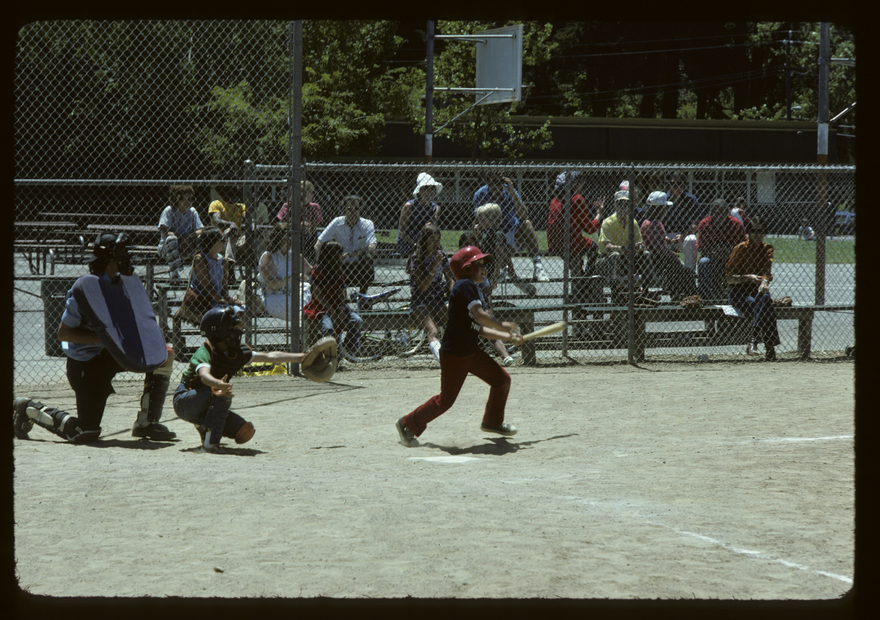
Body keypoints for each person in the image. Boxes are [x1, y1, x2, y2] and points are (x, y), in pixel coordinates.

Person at [14, 233, 177, 443]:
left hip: (111, 354)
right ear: (108, 259)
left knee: (164, 356)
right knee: (85, 432)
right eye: (121, 253)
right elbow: (64, 334)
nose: (126, 257)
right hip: (86, 364)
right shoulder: (85, 291)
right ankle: (28, 408)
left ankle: (147, 423)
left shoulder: (123, 284)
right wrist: (104, 339)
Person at [394, 246, 524, 448]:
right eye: (478, 264)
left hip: (470, 351)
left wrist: (508, 337)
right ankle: (407, 423)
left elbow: (478, 328)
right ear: (467, 268)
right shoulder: (465, 285)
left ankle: (492, 422)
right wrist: (503, 325)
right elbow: (481, 316)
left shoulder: (468, 288)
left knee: (502, 380)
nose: (484, 268)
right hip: (455, 355)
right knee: (445, 401)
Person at [172, 306, 311, 453]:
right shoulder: (206, 351)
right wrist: (217, 383)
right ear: (217, 332)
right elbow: (204, 375)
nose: (237, 330)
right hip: (185, 401)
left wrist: (303, 357)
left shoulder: (237, 351)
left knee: (244, 431)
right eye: (231, 327)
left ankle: (203, 425)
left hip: (206, 400)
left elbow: (271, 356)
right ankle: (209, 445)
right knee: (221, 392)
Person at [473, 171, 549, 283]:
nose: (497, 185)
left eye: (500, 181)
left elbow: (524, 215)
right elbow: (478, 220)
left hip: (512, 230)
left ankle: (538, 267)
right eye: (493, 181)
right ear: (487, 181)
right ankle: (513, 277)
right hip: (493, 234)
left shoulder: (509, 191)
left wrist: (512, 193)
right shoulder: (480, 194)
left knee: (527, 224)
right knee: (499, 249)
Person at [724, 217, 780, 361]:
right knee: (765, 305)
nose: (757, 234)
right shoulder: (740, 248)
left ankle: (754, 339)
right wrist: (748, 277)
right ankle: (769, 348)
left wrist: (764, 282)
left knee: (764, 299)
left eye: (761, 231)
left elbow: (767, 272)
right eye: (754, 231)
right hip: (738, 291)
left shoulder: (767, 249)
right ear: (749, 232)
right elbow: (729, 278)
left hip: (757, 291)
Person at [458, 232, 516, 366]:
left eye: (472, 244)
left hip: (479, 304)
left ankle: (506, 356)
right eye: (466, 244)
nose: (469, 247)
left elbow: (486, 290)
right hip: (464, 305)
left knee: (489, 325)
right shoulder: (456, 264)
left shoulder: (478, 265)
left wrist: (488, 307)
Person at [302, 240, 363, 357]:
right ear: (332, 256)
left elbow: (341, 292)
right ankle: (329, 355)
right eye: (339, 254)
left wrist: (341, 307)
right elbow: (317, 294)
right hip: (321, 306)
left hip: (336, 303)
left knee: (357, 321)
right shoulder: (318, 269)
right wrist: (331, 310)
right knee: (328, 328)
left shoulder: (338, 269)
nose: (342, 256)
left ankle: (347, 349)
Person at [407, 223, 454, 364]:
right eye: (432, 240)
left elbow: (450, 278)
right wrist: (434, 266)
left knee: (457, 325)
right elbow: (423, 287)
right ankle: (444, 362)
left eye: (437, 239)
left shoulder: (441, 256)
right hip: (420, 301)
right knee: (433, 332)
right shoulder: (416, 258)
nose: (436, 243)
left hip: (438, 300)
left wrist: (454, 293)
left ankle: (462, 357)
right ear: (424, 241)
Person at [175, 228, 241, 327]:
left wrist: (229, 299)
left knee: (241, 311)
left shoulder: (224, 261)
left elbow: (224, 288)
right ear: (212, 242)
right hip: (203, 301)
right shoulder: (200, 260)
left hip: (218, 300)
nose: (225, 241)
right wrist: (223, 301)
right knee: (227, 316)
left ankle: (230, 336)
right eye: (222, 238)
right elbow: (206, 288)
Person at [314, 195, 376, 297]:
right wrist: (318, 263)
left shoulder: (367, 224)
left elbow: (372, 246)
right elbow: (319, 243)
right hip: (340, 264)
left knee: (367, 260)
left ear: (360, 210)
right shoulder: (337, 222)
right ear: (344, 211)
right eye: (349, 209)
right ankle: (341, 298)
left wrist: (360, 252)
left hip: (359, 264)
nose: (353, 212)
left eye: (356, 209)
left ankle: (362, 297)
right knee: (330, 262)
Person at [640, 192, 697, 301]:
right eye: (664, 208)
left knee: (681, 269)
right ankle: (684, 295)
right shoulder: (651, 224)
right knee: (682, 269)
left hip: (660, 258)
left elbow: (659, 239)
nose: (666, 210)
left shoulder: (656, 222)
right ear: (659, 209)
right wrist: (673, 255)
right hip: (654, 260)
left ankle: (682, 294)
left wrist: (666, 239)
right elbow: (659, 249)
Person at [546, 171, 603, 278]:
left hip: (554, 243)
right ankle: (587, 278)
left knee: (577, 266)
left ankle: (582, 278)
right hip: (571, 244)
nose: (582, 186)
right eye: (580, 183)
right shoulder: (577, 199)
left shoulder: (554, 200)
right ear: (574, 185)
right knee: (594, 248)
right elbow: (589, 229)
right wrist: (599, 213)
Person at [475, 202, 536, 296]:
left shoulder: (498, 234)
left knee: (485, 295)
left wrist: (495, 275)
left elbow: (499, 256)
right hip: (484, 270)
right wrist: (477, 235)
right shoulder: (489, 233)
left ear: (490, 220)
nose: (479, 222)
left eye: (481, 219)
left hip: (489, 272)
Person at [596, 190, 651, 286]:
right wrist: (628, 248)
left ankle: (646, 290)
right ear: (614, 206)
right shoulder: (607, 222)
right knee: (615, 255)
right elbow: (608, 248)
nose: (623, 207)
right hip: (606, 260)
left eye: (626, 204)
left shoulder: (633, 222)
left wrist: (639, 247)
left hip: (626, 259)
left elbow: (641, 244)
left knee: (645, 254)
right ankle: (614, 292)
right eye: (620, 204)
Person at [258, 223, 312, 320]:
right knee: (297, 303)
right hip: (274, 296)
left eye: (292, 238)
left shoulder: (294, 255)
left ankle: (305, 316)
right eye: (287, 238)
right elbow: (270, 284)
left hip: (293, 292)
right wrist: (293, 278)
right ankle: (302, 318)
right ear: (278, 239)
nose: (291, 242)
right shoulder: (269, 256)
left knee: (308, 288)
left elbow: (311, 271)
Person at [696, 199, 746, 301]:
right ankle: (705, 297)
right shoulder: (705, 224)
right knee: (703, 261)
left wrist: (725, 252)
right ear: (710, 213)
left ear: (727, 213)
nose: (718, 216)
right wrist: (716, 253)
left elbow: (743, 247)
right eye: (715, 212)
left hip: (731, 259)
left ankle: (737, 295)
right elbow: (702, 249)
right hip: (712, 258)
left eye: (721, 212)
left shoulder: (736, 224)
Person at [158, 184, 204, 282]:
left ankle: (196, 274)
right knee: (171, 238)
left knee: (201, 238)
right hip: (168, 248)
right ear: (178, 199)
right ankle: (174, 274)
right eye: (188, 199)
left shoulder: (192, 211)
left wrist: (188, 237)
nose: (191, 201)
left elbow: (201, 229)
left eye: (192, 198)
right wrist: (181, 238)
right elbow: (165, 233)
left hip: (187, 245)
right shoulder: (169, 210)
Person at [277, 180, 323, 265]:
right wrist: (298, 226)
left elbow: (314, 227)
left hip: (307, 235)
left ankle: (315, 264)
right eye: (311, 192)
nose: (313, 194)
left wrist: (308, 229)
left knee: (319, 236)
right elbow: (283, 225)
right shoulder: (288, 206)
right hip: (291, 234)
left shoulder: (314, 207)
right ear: (303, 194)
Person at [397, 172, 442, 257]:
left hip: (427, 246)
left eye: (432, 188)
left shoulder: (435, 208)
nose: (430, 192)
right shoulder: (409, 206)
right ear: (419, 191)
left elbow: (434, 230)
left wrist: (430, 227)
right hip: (408, 245)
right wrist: (415, 244)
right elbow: (401, 231)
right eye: (426, 188)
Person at [208, 185, 246, 266]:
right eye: (234, 189)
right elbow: (216, 221)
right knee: (231, 231)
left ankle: (262, 266)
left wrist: (253, 224)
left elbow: (248, 218)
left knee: (259, 234)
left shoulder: (241, 206)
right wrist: (231, 224)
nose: (237, 190)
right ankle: (229, 264)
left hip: (239, 241)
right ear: (225, 190)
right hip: (220, 239)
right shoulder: (216, 204)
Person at [664, 172, 703, 236]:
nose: (676, 186)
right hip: (666, 234)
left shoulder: (691, 199)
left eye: (679, 183)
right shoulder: (664, 199)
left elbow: (697, 223)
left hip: (686, 234)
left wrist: (682, 235)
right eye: (673, 183)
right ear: (669, 185)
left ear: (683, 185)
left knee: (692, 238)